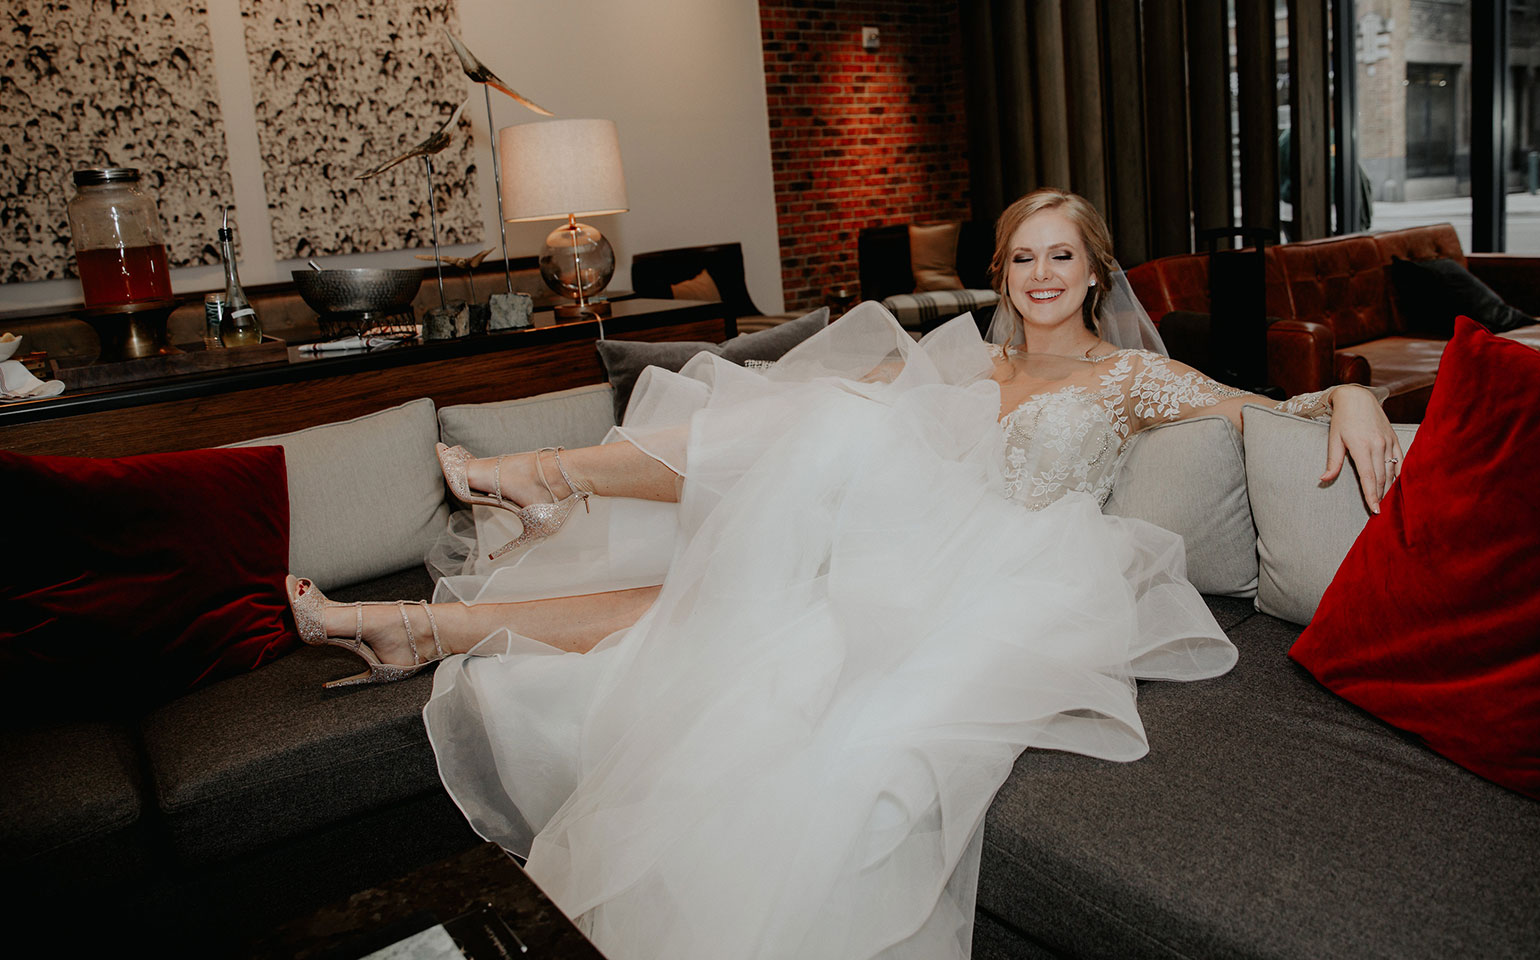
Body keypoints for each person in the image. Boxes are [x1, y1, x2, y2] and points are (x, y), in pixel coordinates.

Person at [288, 189, 1398, 959]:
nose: (1043, 273)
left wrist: (1350, 392)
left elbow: (1272, 410)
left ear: (1095, 268)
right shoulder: (969, 352)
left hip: (997, 561)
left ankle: (505, 521)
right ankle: (446, 592)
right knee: (810, 435)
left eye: (1063, 254)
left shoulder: (1133, 378)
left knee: (734, 575)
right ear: (1000, 273)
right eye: (1023, 255)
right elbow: (786, 422)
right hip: (890, 530)